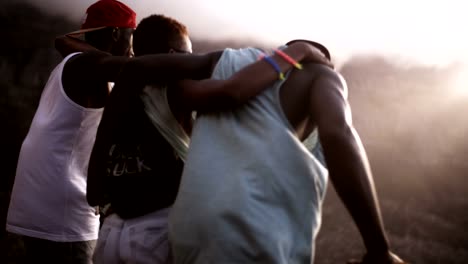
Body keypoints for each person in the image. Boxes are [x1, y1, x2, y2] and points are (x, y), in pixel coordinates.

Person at [81, 14, 333, 263]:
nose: (193, 61)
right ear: (171, 58)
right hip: (153, 235)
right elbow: (231, 92)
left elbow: (93, 190)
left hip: (110, 235)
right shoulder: (175, 89)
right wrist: (292, 54)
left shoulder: (120, 93)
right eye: (188, 54)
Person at [167, 41, 408, 264]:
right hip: (250, 237)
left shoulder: (227, 71)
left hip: (186, 234)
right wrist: (379, 249)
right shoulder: (323, 76)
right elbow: (339, 135)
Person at [5, 0, 136, 263]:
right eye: (130, 36)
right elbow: (134, 71)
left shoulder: (72, 64)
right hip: (62, 210)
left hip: (41, 200)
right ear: (114, 34)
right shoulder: (87, 67)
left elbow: (63, 42)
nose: (132, 48)